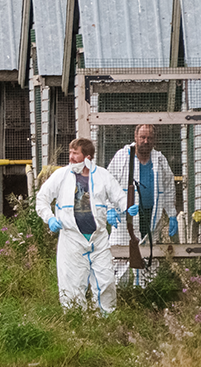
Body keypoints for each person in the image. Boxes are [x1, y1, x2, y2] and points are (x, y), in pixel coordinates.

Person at [36, 138, 135, 313]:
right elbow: (42, 199)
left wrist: (127, 206)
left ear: (87, 157)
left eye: (76, 153)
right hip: (71, 238)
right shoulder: (61, 175)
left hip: (98, 238)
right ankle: (76, 320)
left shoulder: (103, 176)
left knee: (106, 280)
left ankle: (105, 318)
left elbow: (119, 197)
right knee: (72, 283)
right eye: (70, 153)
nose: (71, 157)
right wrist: (49, 218)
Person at [108, 124, 178, 287]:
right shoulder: (122, 157)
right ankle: (120, 292)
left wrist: (172, 214)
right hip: (125, 218)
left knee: (149, 255)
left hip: (151, 215)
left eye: (149, 138)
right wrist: (110, 209)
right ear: (135, 137)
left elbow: (168, 187)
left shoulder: (159, 160)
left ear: (154, 140)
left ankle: (146, 291)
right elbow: (107, 185)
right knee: (120, 255)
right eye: (143, 137)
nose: (146, 141)